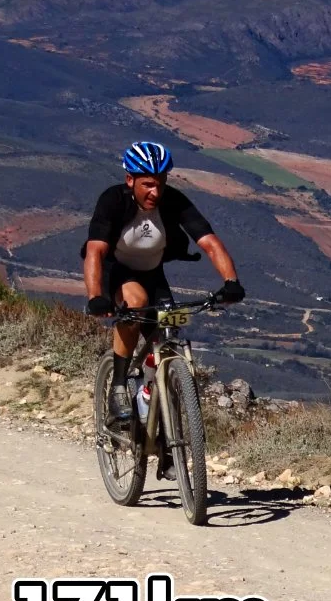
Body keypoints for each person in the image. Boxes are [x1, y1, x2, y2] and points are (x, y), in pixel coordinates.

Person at [82, 141, 245, 424]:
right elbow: (95, 250)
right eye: (147, 184)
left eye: (160, 183)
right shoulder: (112, 200)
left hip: (152, 273)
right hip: (117, 271)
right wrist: (96, 297)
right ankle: (119, 386)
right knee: (136, 304)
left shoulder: (173, 200)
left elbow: (210, 242)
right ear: (130, 180)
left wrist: (231, 282)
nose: (155, 192)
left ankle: (161, 427)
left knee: (168, 332)